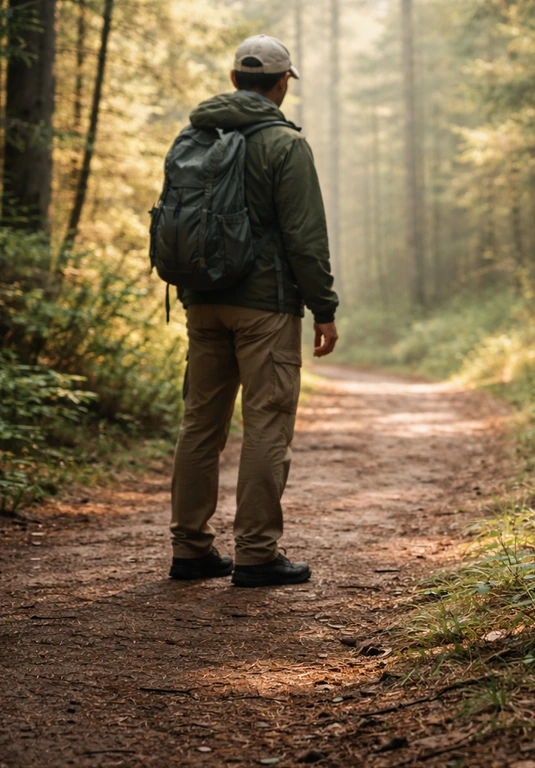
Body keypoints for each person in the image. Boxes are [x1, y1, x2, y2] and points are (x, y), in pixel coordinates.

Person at [167, 34, 339, 587]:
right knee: (266, 423)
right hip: (265, 305)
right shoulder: (283, 144)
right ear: (282, 81)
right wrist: (324, 307)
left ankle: (190, 550)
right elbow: (305, 236)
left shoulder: (195, 134)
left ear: (236, 78)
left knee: (200, 424)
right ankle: (257, 554)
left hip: (202, 300)